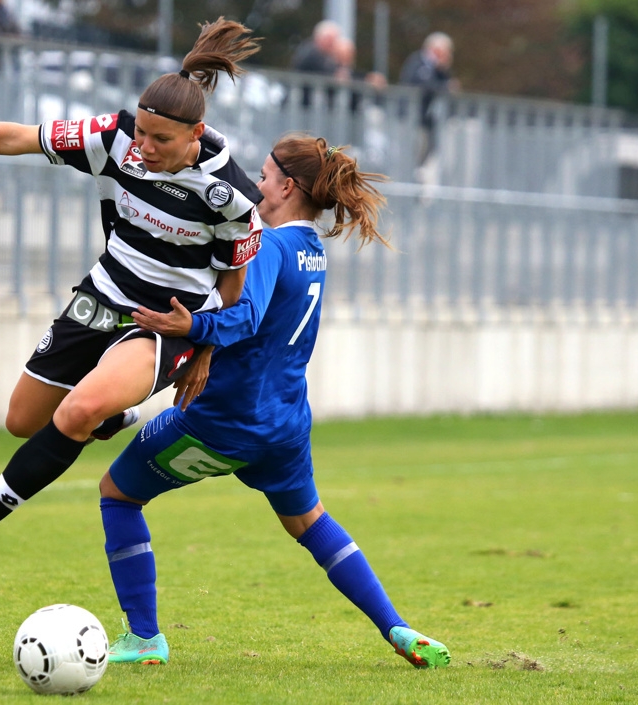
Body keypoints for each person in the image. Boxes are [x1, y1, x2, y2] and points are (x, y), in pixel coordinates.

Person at [0, 18, 265, 571]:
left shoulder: (232, 197)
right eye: (140, 133)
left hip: (167, 322)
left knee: (77, 412)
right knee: (22, 421)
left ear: (196, 134)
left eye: (159, 140)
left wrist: (205, 349)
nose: (142, 148)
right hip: (104, 292)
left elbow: (233, 286)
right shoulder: (114, 138)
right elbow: (16, 137)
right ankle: (115, 415)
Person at [96, 134, 451, 670]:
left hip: (223, 422)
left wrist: (189, 324)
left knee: (117, 494)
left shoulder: (268, 245)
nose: (256, 186)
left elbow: (246, 319)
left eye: (263, 176)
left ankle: (145, 638)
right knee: (310, 523)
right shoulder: (312, 251)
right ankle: (397, 627)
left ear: (287, 186)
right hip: (284, 424)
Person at [399, 32, 459, 166]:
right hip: (412, 118)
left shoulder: (439, 69)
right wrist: (444, 86)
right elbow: (425, 85)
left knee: (427, 153)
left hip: (427, 121)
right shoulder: (418, 62)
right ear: (437, 50)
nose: (449, 56)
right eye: (447, 52)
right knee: (412, 153)